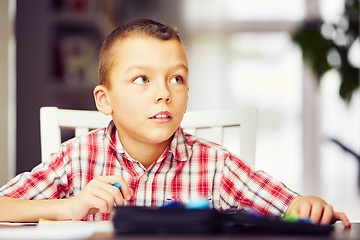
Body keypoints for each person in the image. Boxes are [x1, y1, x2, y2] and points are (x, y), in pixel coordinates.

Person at [0, 19, 351, 227]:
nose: (164, 94)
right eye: (142, 79)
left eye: (177, 79)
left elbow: (291, 208)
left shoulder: (217, 166)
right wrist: (67, 206)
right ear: (104, 100)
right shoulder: (76, 158)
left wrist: (308, 207)